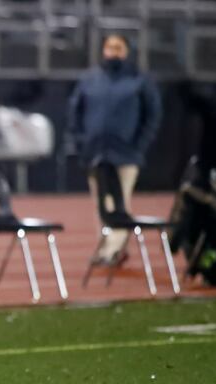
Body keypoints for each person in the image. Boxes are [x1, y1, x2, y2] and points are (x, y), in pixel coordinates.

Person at [67, 34, 162, 266]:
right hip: (96, 153)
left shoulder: (139, 80)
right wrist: (81, 142)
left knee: (120, 203)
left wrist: (138, 145)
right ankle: (106, 246)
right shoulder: (90, 79)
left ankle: (113, 250)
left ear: (127, 51)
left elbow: (152, 115)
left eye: (119, 47)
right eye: (110, 46)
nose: (113, 51)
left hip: (125, 154)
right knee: (102, 204)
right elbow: (75, 112)